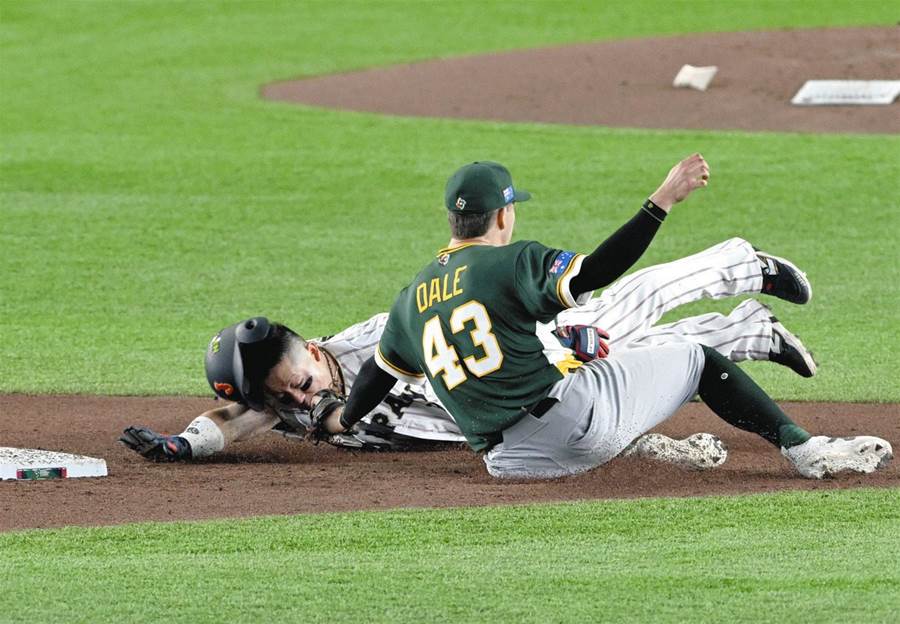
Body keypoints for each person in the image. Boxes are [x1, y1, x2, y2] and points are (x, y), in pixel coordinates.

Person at [303, 156, 892, 480]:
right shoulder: (510, 260)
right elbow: (597, 271)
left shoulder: (411, 297)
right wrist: (661, 200)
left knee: (592, 354)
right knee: (694, 360)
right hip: (578, 426)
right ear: (502, 215)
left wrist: (340, 421)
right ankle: (803, 448)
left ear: (452, 221)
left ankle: (747, 334)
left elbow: (377, 376)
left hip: (513, 465)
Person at [120, 234, 817, 467]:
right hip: (517, 412)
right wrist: (184, 444)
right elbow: (233, 419)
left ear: (308, 346)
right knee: (653, 359)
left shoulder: (376, 341)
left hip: (530, 354)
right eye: (284, 397)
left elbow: (477, 343)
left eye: (298, 381)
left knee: (622, 310)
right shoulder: (289, 403)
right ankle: (748, 333)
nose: (302, 399)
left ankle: (739, 263)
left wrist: (557, 342)